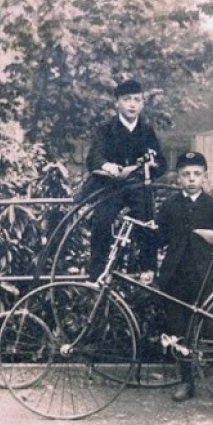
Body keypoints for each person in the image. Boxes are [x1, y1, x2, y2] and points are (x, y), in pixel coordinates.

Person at [140, 152, 213, 404]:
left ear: (205, 177)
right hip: (175, 278)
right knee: (179, 331)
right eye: (186, 175)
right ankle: (186, 382)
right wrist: (147, 260)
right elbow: (156, 241)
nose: (191, 179)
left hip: (205, 278)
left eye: (196, 174)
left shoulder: (212, 206)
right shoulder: (169, 206)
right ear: (178, 178)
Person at [84, 79, 167, 279]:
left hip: (137, 185)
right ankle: (96, 273)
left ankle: (147, 269)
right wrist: (107, 165)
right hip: (111, 187)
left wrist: (152, 164)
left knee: (147, 220)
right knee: (102, 222)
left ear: (142, 104)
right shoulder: (105, 129)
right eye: (126, 99)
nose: (132, 104)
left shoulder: (146, 131)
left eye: (136, 100)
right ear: (117, 103)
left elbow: (161, 162)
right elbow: (95, 156)